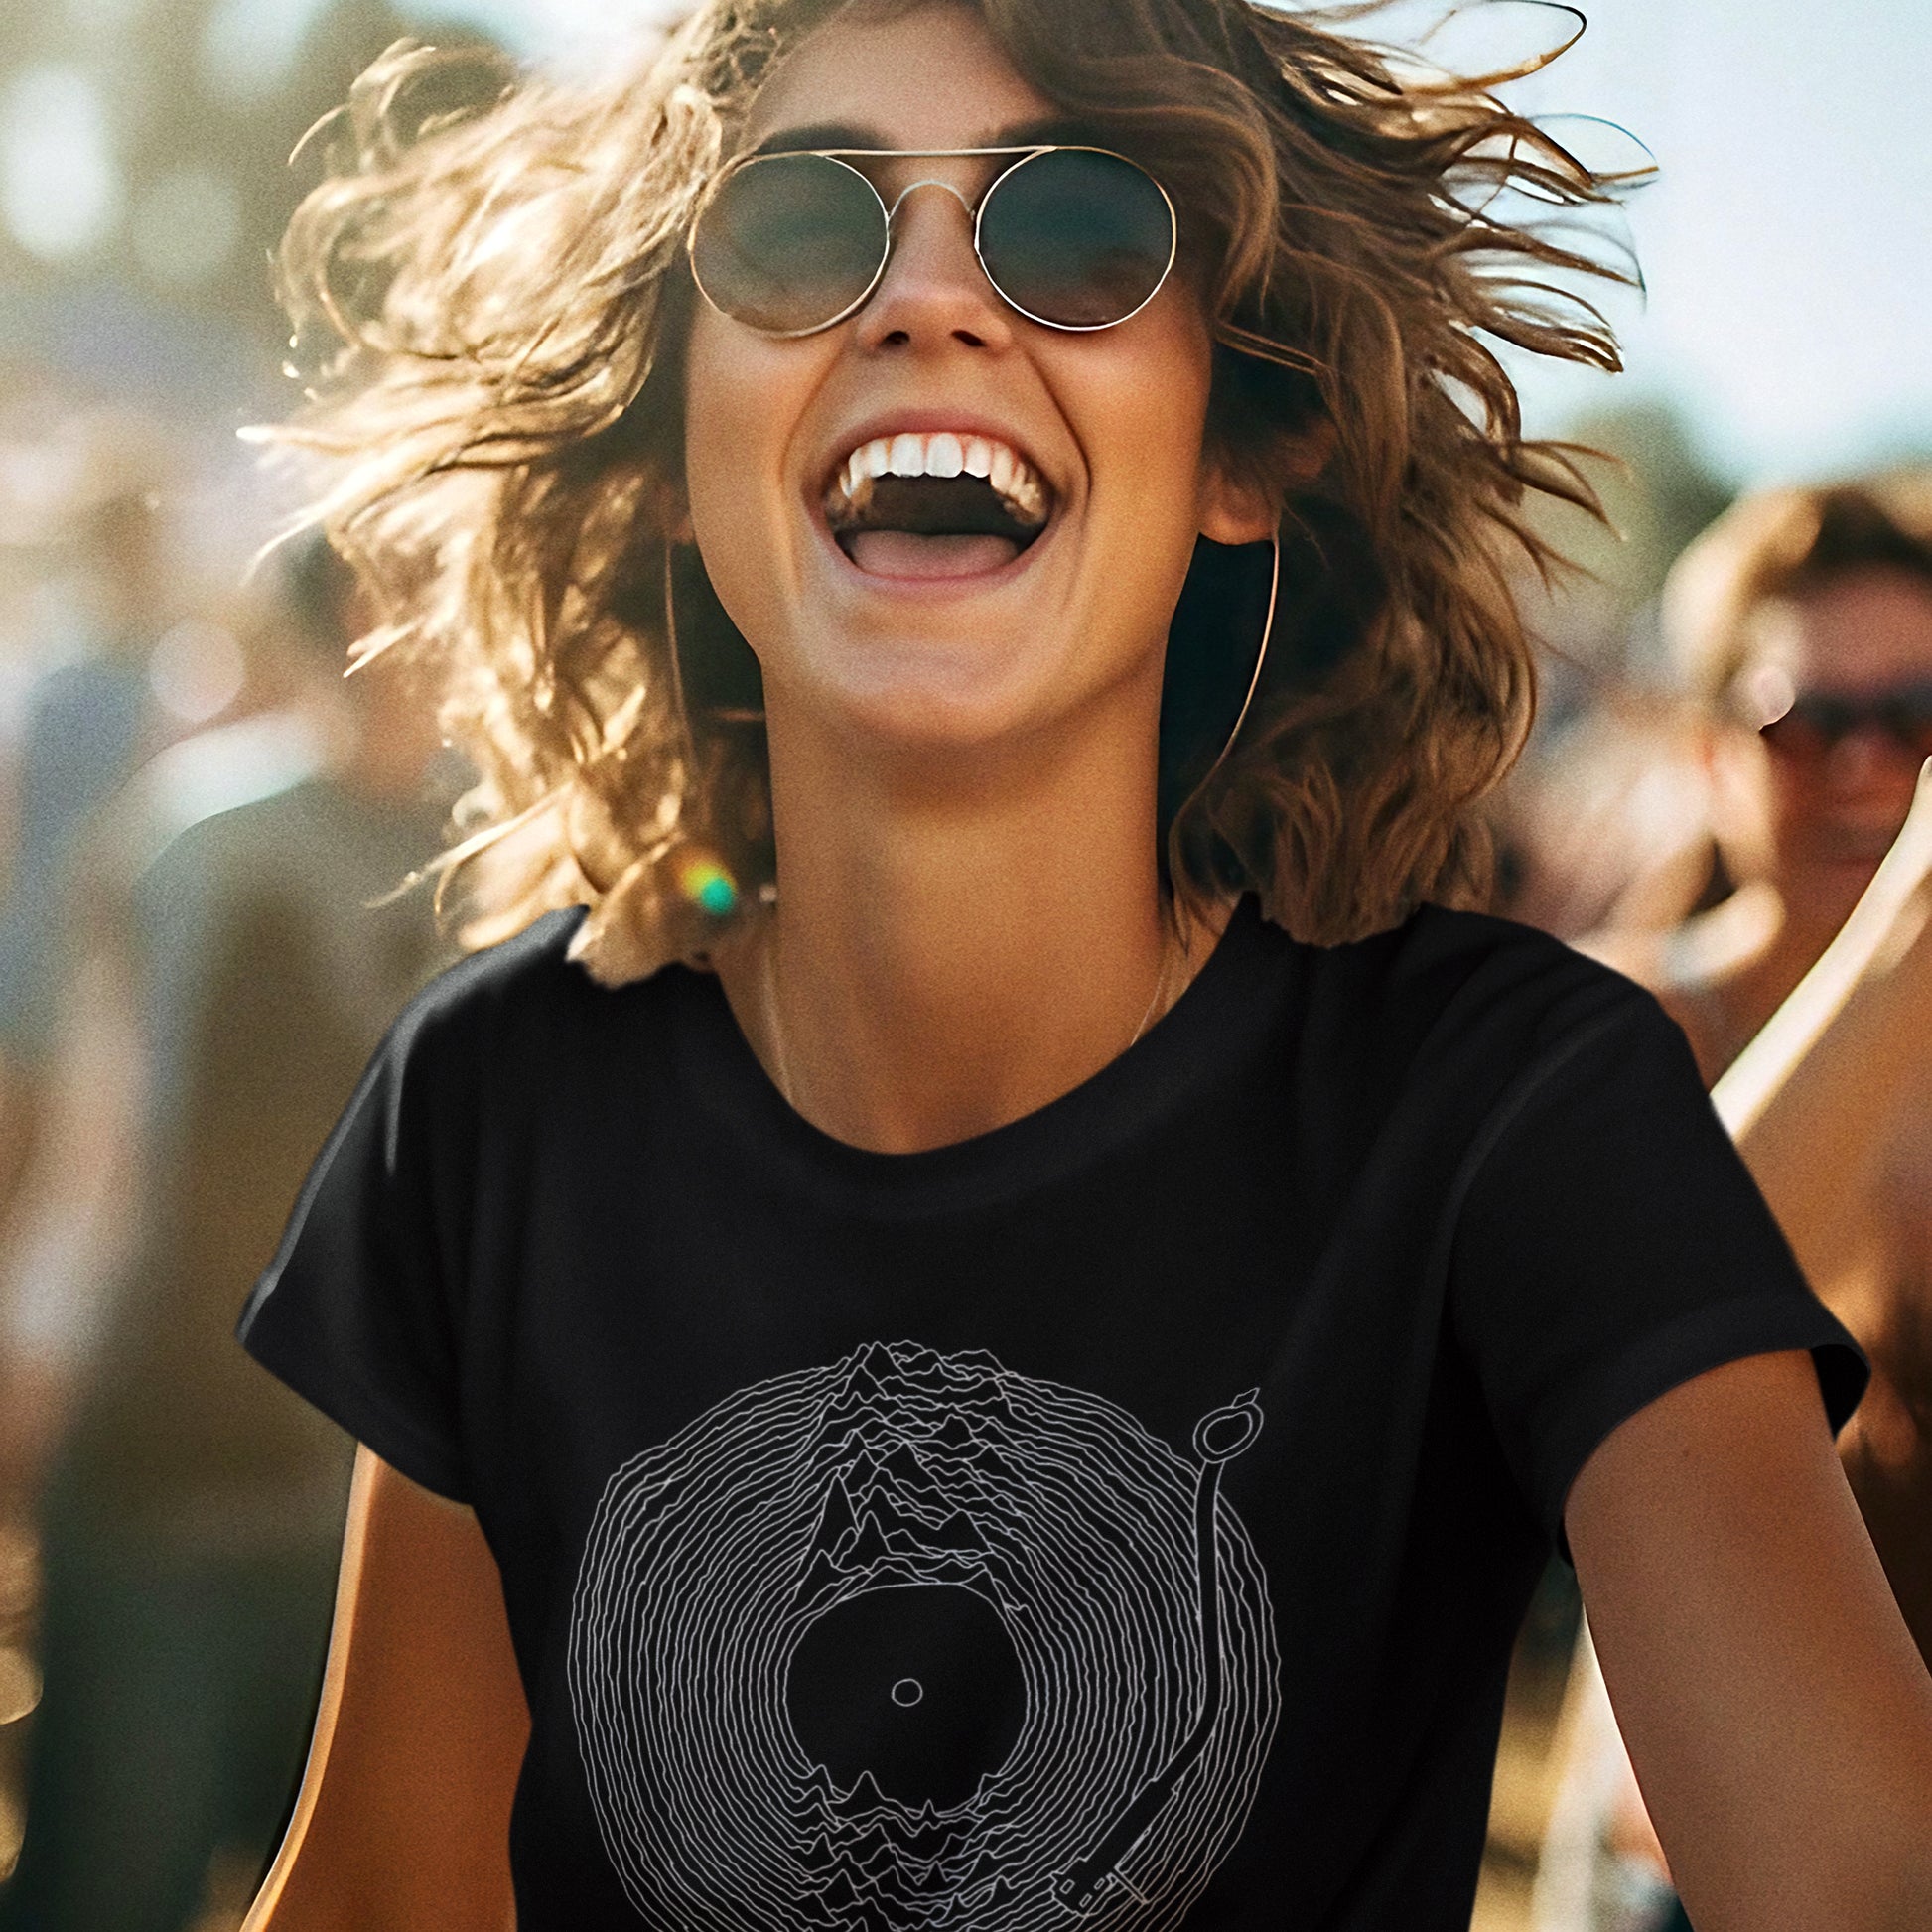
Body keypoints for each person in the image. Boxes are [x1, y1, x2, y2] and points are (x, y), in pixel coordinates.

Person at [235, 4, 1932, 1929]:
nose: (926, 301)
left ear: (1242, 450)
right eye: (796, 229)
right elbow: (378, 1895)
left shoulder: (1512, 1110)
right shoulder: (497, 1100)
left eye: (1075, 231)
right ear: (672, 448)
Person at [0, 537, 448, 1931]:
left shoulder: (527, 847)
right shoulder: (196, 837)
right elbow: (100, 1149)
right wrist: (35, 1376)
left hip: (400, 1506)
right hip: (175, 1462)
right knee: (118, 1873)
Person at [1536, 479, 1932, 1932]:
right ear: (1709, 755)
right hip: (1694, 1875)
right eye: (1804, 722)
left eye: (1918, 714)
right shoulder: (1616, 1026)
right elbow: (1657, 1344)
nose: (1871, 766)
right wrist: (1912, 926)